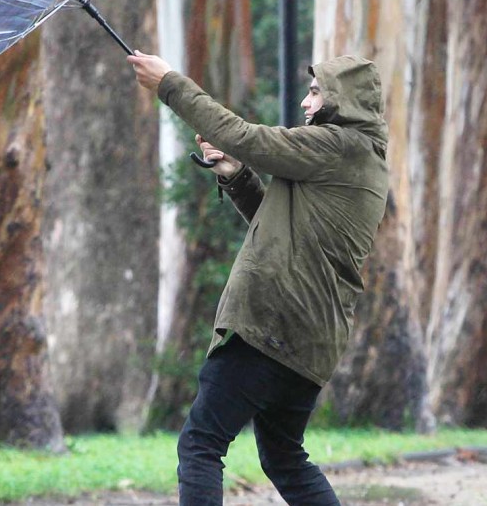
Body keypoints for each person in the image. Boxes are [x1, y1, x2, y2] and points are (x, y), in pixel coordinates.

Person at [126, 50, 390, 506]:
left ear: (341, 100)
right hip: (310, 338)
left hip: (271, 325)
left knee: (200, 443)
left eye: (315, 92)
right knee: (284, 456)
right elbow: (282, 233)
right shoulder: (355, 158)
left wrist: (169, 82)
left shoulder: (339, 145)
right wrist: (237, 175)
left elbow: (244, 136)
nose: (306, 104)